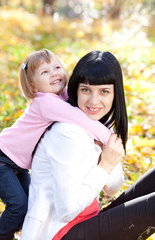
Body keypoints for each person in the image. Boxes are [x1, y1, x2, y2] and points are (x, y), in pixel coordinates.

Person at [21, 50, 155, 240]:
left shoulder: (95, 128)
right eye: (86, 90)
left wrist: (106, 161)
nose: (93, 101)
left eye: (104, 91)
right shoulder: (67, 134)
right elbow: (67, 211)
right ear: (75, 90)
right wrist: (105, 165)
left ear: (115, 94)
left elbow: (112, 189)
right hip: (59, 234)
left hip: (85, 223)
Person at [0, 49, 112, 240]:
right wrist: (110, 140)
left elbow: (83, 109)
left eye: (57, 67)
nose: (54, 73)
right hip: (1, 159)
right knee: (18, 206)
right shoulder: (46, 102)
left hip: (16, 161)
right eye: (45, 72)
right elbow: (79, 118)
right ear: (34, 87)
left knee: (30, 204)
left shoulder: (59, 96)